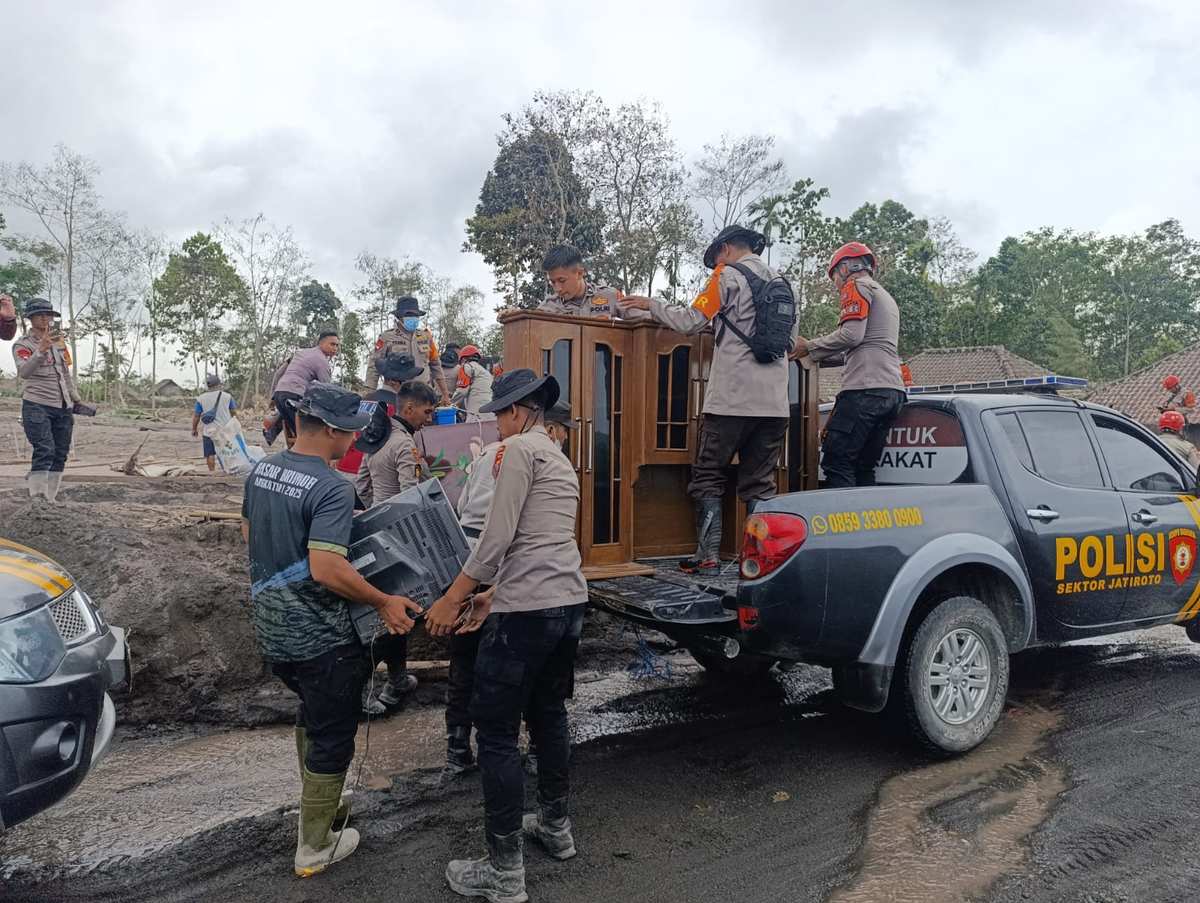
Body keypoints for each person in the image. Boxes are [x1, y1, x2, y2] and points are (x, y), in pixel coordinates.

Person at [240, 382, 422, 877]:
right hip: (322, 637)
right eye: (354, 434)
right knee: (334, 732)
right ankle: (314, 847)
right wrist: (384, 600)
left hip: (274, 628)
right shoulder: (332, 486)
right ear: (336, 431)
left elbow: (251, 534)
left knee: (313, 714)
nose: (356, 442)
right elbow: (326, 568)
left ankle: (321, 807)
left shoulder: (263, 471)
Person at [427, 369, 586, 903]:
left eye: (500, 413)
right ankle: (556, 829)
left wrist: (454, 597)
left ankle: (503, 873)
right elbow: (544, 540)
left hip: (527, 614)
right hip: (567, 603)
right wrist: (490, 596)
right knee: (549, 714)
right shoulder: (561, 461)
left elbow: (497, 538)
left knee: (495, 733)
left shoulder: (517, 450)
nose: (496, 424)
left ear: (519, 411)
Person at [619, 224, 791, 575]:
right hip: (775, 403)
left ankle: (708, 555)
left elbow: (690, 321)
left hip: (731, 400)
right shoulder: (784, 284)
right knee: (759, 484)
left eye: (715, 259)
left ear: (725, 249)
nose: (714, 266)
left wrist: (652, 305)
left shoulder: (727, 276)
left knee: (708, 475)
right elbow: (789, 343)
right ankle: (765, 559)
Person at [442, 401, 576, 779]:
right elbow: (506, 532)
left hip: (468, 559)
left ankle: (456, 748)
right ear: (554, 429)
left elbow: (465, 504)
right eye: (562, 432)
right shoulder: (543, 457)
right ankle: (536, 747)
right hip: (509, 566)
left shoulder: (488, 453)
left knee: (465, 660)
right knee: (532, 668)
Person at [353, 373, 439, 715]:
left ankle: (399, 679)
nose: (429, 418)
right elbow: (410, 497)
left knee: (393, 614)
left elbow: (361, 485)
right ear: (409, 407)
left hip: (374, 534)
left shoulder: (377, 439)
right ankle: (366, 691)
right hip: (400, 539)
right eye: (427, 412)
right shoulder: (405, 445)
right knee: (391, 618)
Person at [793, 242, 906, 488]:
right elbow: (863, 345)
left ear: (845, 268)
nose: (835, 285)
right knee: (864, 466)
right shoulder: (884, 295)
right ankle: (868, 524)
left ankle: (844, 525)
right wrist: (818, 355)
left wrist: (808, 347)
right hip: (891, 392)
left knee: (837, 461)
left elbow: (851, 336)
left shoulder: (854, 286)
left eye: (833, 276)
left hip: (864, 391)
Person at [12, 298, 81, 502]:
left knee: (60, 453)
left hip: (62, 406)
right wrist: (40, 351)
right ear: (31, 318)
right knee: (45, 450)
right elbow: (24, 372)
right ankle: (37, 500)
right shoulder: (22, 344)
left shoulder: (59, 342)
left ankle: (50, 500)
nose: (45, 318)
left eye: (48, 314)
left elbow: (64, 373)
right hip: (37, 404)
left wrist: (75, 398)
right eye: (40, 314)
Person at [335, 353, 421, 485]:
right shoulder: (398, 408)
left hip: (344, 468)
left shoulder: (363, 400)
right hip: (369, 476)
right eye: (409, 380)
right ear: (394, 381)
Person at [365, 296, 450, 403]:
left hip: (422, 394)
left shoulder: (426, 337)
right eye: (409, 315)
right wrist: (369, 393)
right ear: (399, 317)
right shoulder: (386, 337)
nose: (413, 318)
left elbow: (436, 365)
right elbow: (374, 365)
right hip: (396, 395)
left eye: (415, 315)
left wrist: (445, 394)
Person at [271, 331, 341, 447]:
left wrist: (273, 396)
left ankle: (290, 453)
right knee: (306, 435)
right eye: (332, 344)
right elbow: (327, 391)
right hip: (294, 396)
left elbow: (279, 373)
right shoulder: (321, 361)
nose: (335, 348)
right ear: (321, 343)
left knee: (296, 433)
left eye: (337, 345)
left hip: (279, 394)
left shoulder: (300, 353)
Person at [536, 245, 641, 320]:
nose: (557, 288)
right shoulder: (547, 309)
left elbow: (646, 321)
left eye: (562, 281)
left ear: (580, 273)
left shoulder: (610, 296)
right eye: (552, 282)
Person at [192, 374, 237, 473]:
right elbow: (233, 412)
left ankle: (212, 473)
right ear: (219, 384)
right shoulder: (227, 397)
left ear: (208, 386)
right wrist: (235, 425)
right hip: (225, 430)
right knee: (227, 451)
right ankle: (228, 471)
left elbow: (196, 416)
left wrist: (194, 429)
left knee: (210, 453)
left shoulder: (201, 398)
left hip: (208, 431)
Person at [452, 344, 494, 415]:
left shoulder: (467, 367)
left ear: (463, 359)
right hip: (491, 413)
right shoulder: (486, 373)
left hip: (476, 416)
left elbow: (461, 391)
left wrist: (449, 403)